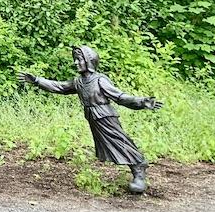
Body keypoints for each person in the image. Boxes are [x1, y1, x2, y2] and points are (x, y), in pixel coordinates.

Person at [20, 45, 162, 193]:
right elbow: (60, 87)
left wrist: (141, 101)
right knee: (111, 145)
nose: (76, 63)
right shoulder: (78, 81)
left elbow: (119, 96)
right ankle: (137, 165)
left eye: (79, 59)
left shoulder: (100, 80)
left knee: (119, 141)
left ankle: (138, 167)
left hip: (106, 116)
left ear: (89, 61)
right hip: (93, 118)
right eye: (75, 60)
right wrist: (37, 80)